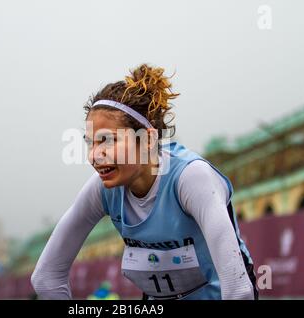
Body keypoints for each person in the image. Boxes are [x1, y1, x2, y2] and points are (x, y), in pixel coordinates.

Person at [31, 64, 258, 300]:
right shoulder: (102, 189)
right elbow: (45, 277)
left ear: (148, 139)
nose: (94, 155)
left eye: (107, 141)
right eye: (90, 143)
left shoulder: (191, 178)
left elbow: (238, 290)